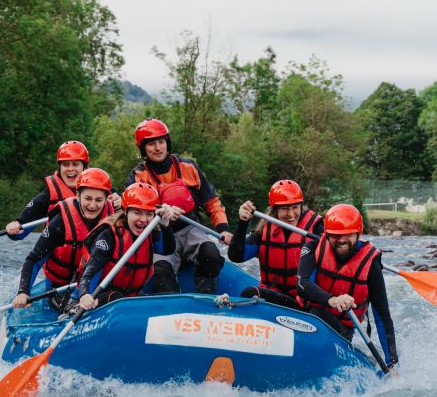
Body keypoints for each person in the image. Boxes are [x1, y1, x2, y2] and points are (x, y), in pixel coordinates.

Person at [126, 118, 230, 294]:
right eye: (151, 144)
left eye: (161, 142)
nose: (158, 148)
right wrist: (161, 211)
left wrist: (224, 228)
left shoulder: (188, 167)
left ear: (167, 144)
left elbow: (211, 201)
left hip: (191, 229)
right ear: (143, 148)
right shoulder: (138, 176)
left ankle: (205, 300)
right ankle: (172, 306)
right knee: (161, 272)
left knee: (211, 253)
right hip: (160, 237)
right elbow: (134, 212)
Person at [297, 204, 397, 370]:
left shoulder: (371, 266)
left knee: (316, 315)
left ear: (359, 233)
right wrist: (333, 300)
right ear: (327, 235)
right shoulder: (312, 248)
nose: (341, 240)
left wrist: (391, 363)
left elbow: (382, 317)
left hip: (341, 332)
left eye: (348, 234)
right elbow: (302, 284)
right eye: (335, 235)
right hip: (308, 317)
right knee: (252, 293)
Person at [13, 168, 115, 312]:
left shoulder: (115, 218)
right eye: (87, 198)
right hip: (62, 287)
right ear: (78, 195)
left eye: (99, 200)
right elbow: (34, 259)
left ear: (107, 199)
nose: (92, 205)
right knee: (79, 309)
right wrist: (23, 291)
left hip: (94, 283)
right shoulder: (60, 223)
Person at [73, 182, 182, 311]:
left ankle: (173, 311)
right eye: (137, 213)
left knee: (163, 268)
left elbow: (167, 250)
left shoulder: (150, 231)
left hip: (130, 295)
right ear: (126, 211)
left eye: (148, 214)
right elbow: (90, 272)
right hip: (101, 296)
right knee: (118, 299)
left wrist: (165, 225)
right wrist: (85, 295)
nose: (143, 220)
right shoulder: (109, 235)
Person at [227, 179, 325, 309]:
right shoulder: (265, 230)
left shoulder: (316, 228)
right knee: (250, 293)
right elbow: (236, 256)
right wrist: (243, 222)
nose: (291, 214)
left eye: (295, 207)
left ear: (301, 206)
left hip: (304, 303)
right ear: (275, 210)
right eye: (285, 209)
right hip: (275, 296)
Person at [6, 141, 118, 237]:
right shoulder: (49, 195)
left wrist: (120, 202)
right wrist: (17, 224)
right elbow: (25, 221)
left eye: (75, 164)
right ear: (60, 168)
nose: (70, 169)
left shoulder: (101, 187)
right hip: (61, 251)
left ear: (84, 167)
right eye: (65, 165)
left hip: (94, 254)